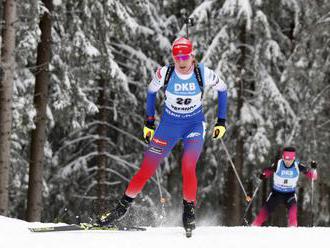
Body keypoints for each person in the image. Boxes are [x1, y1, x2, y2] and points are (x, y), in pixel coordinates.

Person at [98, 37, 228, 230]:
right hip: (168, 126)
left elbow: (223, 89)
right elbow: (151, 91)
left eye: (185, 56)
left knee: (188, 165)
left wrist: (221, 121)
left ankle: (189, 211)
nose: (182, 61)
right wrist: (149, 122)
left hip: (194, 125)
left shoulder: (203, 73)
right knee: (146, 169)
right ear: (173, 58)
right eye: (177, 57)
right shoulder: (165, 73)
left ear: (192, 56)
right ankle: (120, 209)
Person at [251, 146, 318, 227]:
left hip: (290, 194)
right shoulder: (278, 164)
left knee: (293, 211)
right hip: (276, 193)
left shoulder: (298, 166)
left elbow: (313, 176)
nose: (288, 162)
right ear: (283, 157)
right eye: (286, 159)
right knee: (266, 209)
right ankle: (254, 225)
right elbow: (267, 171)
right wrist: (263, 175)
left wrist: (314, 169)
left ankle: (292, 228)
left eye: (290, 159)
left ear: (293, 159)